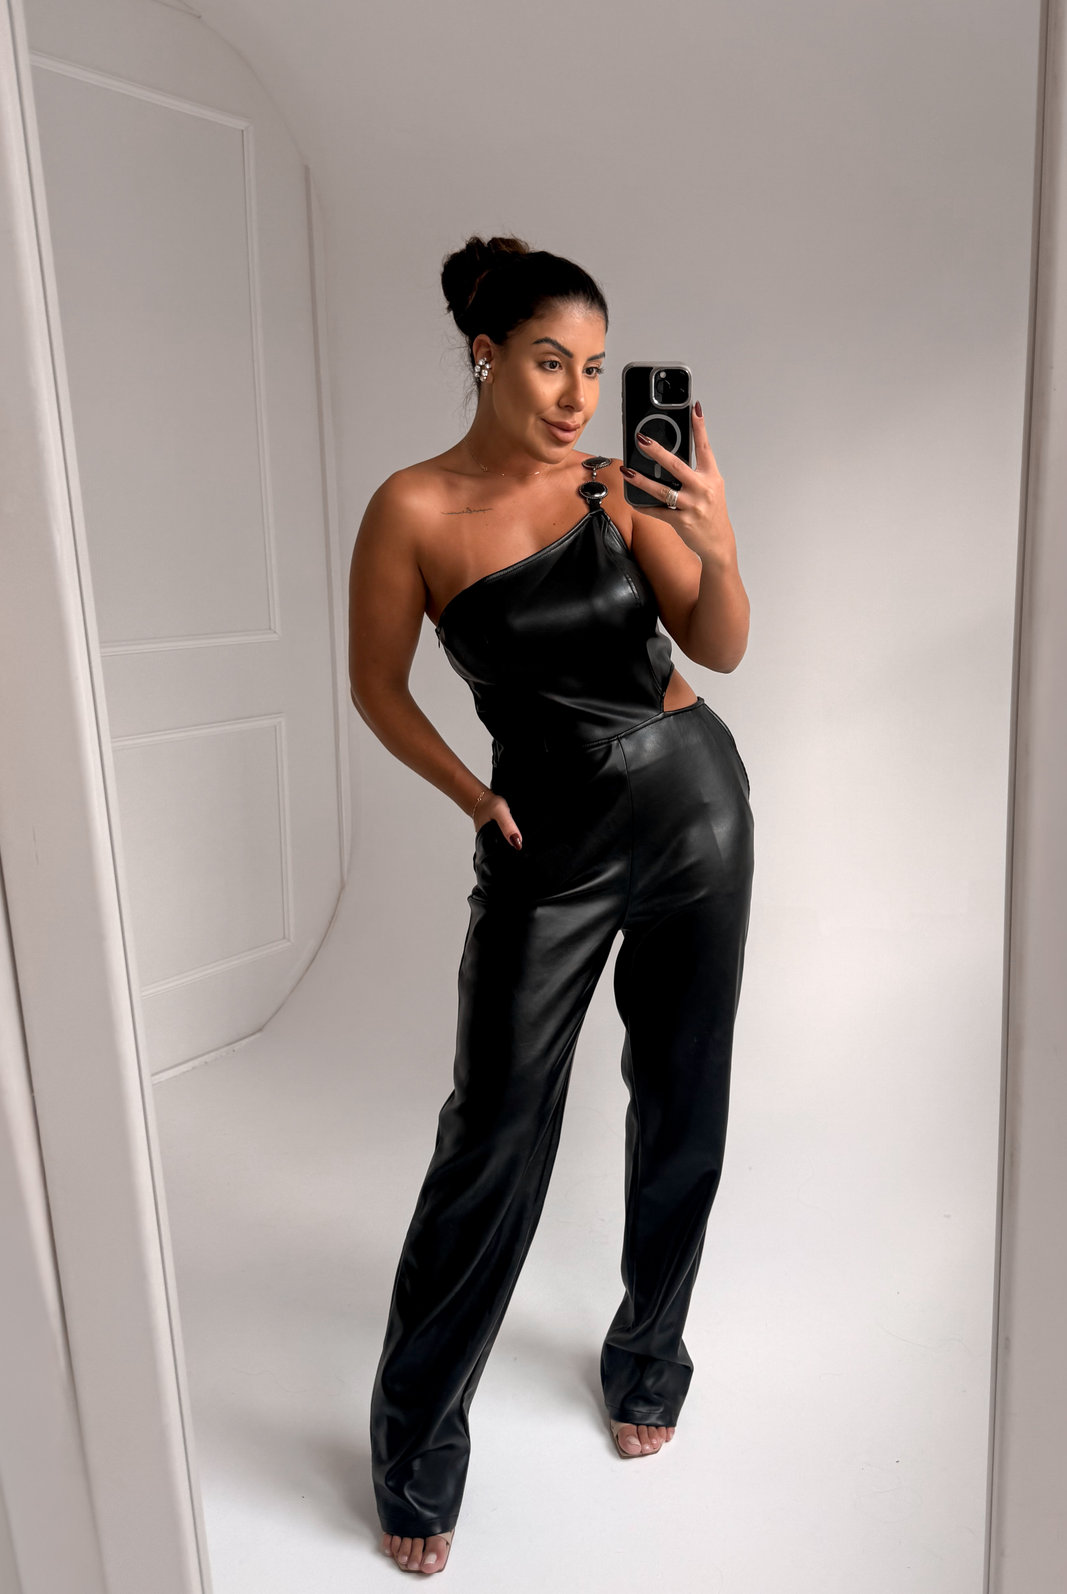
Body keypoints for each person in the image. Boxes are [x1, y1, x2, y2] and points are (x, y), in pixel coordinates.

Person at [348, 234, 754, 1575]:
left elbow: (720, 644)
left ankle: (651, 1357)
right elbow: (377, 687)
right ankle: (416, 1448)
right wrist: (474, 795)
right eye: (548, 362)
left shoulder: (613, 487)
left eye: (594, 366)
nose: (580, 395)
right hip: (547, 844)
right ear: (486, 355)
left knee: (683, 1095)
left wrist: (717, 543)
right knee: (494, 1129)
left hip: (695, 811)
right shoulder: (412, 508)